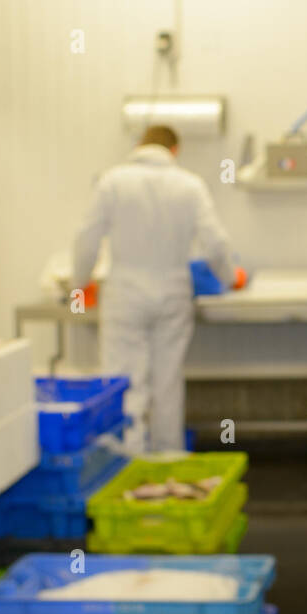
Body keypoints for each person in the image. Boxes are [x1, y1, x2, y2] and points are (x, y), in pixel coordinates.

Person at [72, 124, 233, 453]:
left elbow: (86, 239)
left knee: (123, 381)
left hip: (125, 293)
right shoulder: (190, 185)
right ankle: (169, 461)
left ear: (139, 145)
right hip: (173, 290)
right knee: (168, 383)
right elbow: (216, 242)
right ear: (175, 151)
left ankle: (125, 461)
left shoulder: (112, 182)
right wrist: (229, 279)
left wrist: (78, 284)